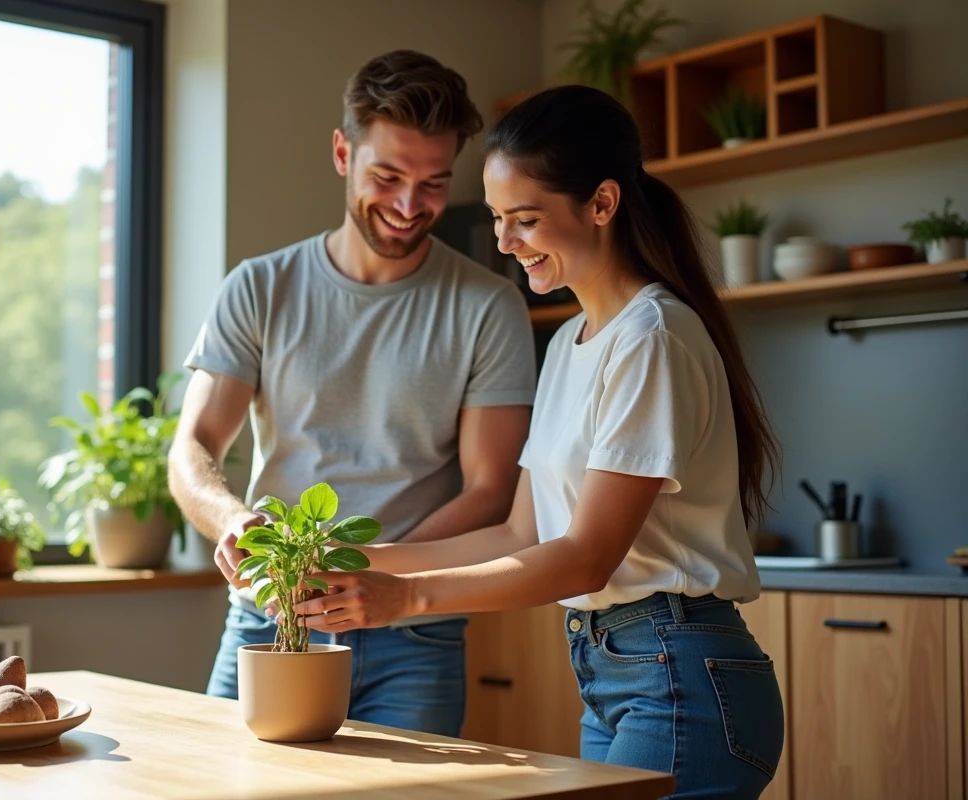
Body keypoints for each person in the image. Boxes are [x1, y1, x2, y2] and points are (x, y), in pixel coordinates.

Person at [291, 85, 787, 799]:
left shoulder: (652, 339)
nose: (503, 242)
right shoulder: (567, 344)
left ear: (603, 203)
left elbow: (586, 555)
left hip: (680, 675)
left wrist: (405, 598)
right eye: (497, 219)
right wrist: (341, 560)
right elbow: (520, 530)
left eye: (524, 219)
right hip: (614, 671)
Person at [167, 49, 537, 737]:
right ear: (343, 153)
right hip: (270, 617)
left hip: (414, 633)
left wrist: (361, 576)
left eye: (432, 183)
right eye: (388, 176)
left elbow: (490, 490)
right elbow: (192, 448)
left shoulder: (489, 306)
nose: (408, 205)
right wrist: (231, 521)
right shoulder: (259, 287)